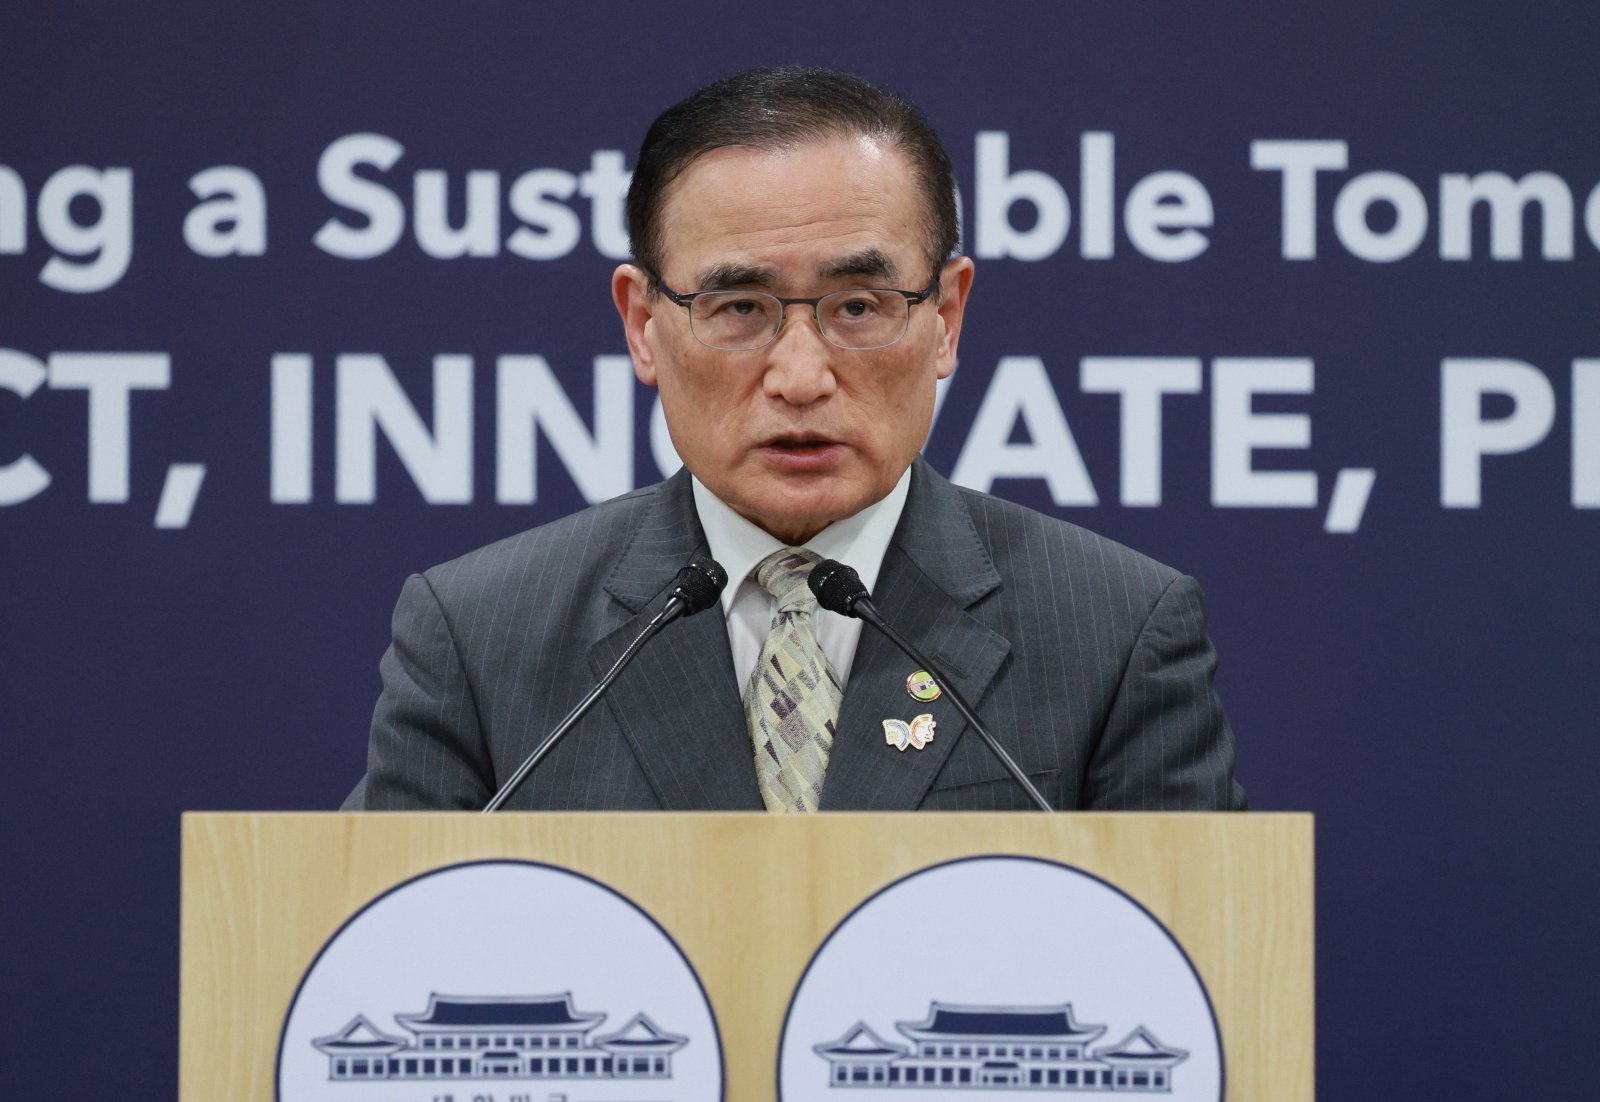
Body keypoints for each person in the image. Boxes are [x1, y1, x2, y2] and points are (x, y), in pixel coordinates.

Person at [346, 67, 1245, 813]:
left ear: (946, 317)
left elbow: (1196, 955)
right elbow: (378, 945)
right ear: (642, 324)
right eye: (739, 307)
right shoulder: (478, 637)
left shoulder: (1115, 633)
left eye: (858, 306)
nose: (802, 376)